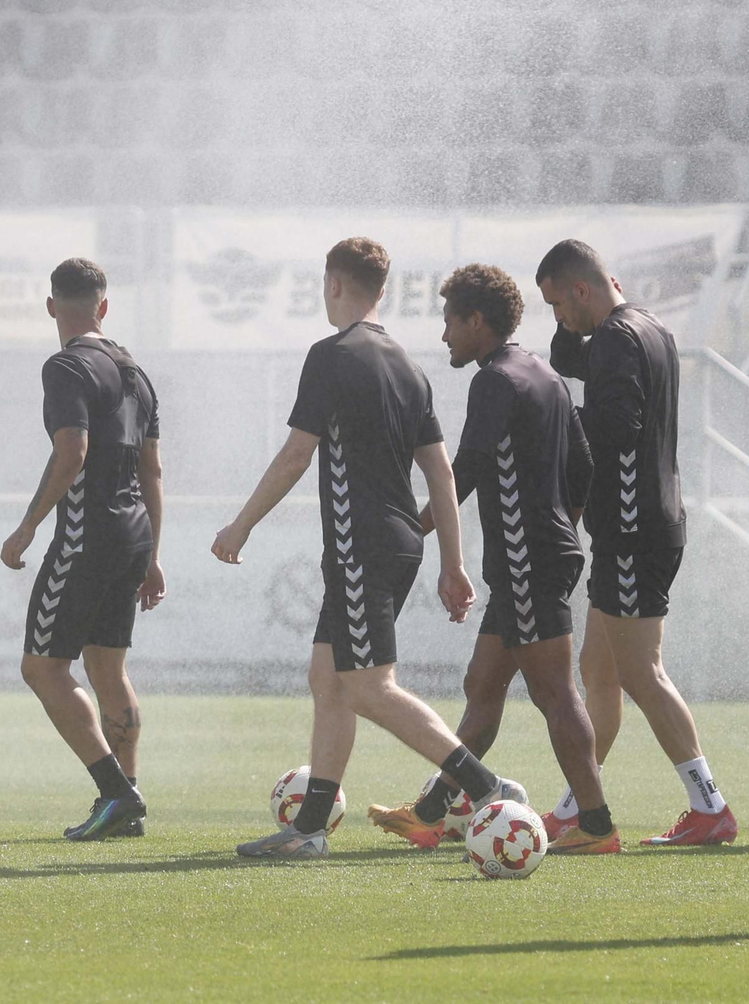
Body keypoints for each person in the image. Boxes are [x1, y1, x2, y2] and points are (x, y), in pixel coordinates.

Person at [212, 238, 523, 860]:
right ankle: (309, 830)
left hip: (361, 544)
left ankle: (486, 787)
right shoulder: (408, 366)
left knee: (369, 686)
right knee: (328, 678)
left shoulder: (330, 355)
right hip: (399, 541)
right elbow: (441, 473)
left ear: (334, 284)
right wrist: (453, 564)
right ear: (382, 290)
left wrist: (241, 525)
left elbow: (297, 454)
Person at [367, 263, 619, 854]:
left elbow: (466, 470)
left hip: (528, 560)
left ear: (477, 321)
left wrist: (414, 529)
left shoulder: (495, 381)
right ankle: (433, 812)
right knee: (482, 685)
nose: (445, 334)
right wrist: (563, 525)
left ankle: (596, 824)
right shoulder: (544, 373)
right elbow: (583, 465)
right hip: (530, 558)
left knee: (555, 693)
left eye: (450, 321)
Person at [538, 239, 738, 846]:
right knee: (599, 672)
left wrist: (555, 426)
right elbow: (569, 360)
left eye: (559, 304)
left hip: (633, 529)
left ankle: (709, 807)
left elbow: (617, 425)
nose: (558, 317)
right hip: (637, 524)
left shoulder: (616, 339)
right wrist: (570, 327)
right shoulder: (646, 328)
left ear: (582, 289)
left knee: (641, 673)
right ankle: (579, 809)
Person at [0, 257, 164, 842]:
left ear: (51, 306)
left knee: (42, 668)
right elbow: (152, 470)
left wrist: (27, 527)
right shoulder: (136, 371)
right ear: (104, 307)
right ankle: (128, 802)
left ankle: (117, 793)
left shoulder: (66, 366)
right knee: (107, 668)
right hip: (133, 533)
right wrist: (153, 554)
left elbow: (72, 451)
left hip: (86, 535)